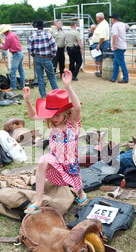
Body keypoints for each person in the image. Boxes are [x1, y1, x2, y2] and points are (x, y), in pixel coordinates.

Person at [22, 70, 87, 213]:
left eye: (57, 115)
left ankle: (81, 194)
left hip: (70, 161)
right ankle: (38, 200)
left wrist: (68, 86)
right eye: (51, 115)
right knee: (42, 162)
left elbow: (77, 107)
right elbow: (33, 116)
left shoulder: (72, 122)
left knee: (77, 185)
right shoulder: (52, 122)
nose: (54, 119)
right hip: (55, 158)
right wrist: (27, 100)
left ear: (65, 113)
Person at [28, 18, 59, 98]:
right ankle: (57, 94)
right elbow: (54, 47)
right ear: (43, 27)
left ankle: (43, 95)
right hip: (47, 57)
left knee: (40, 77)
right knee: (51, 76)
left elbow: (29, 49)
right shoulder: (48, 35)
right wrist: (52, 55)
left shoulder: (32, 36)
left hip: (37, 58)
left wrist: (33, 55)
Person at [0, 24, 26, 90]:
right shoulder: (13, 34)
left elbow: (5, 48)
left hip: (16, 54)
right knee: (21, 70)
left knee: (12, 71)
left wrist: (1, 46)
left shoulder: (8, 37)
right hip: (20, 52)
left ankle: (13, 86)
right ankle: (22, 85)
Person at [109, 13, 130, 83]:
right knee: (116, 63)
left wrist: (113, 45)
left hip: (118, 46)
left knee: (121, 63)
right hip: (123, 45)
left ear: (114, 19)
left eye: (112, 19)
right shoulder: (122, 24)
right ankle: (113, 77)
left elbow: (115, 36)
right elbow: (128, 26)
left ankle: (125, 78)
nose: (111, 20)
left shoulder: (115, 26)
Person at [91, 12, 110, 77]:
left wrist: (99, 45)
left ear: (99, 18)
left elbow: (102, 36)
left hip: (101, 43)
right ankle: (101, 71)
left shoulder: (102, 25)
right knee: (100, 59)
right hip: (101, 42)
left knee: (101, 58)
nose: (96, 19)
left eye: (96, 17)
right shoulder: (102, 24)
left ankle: (102, 71)